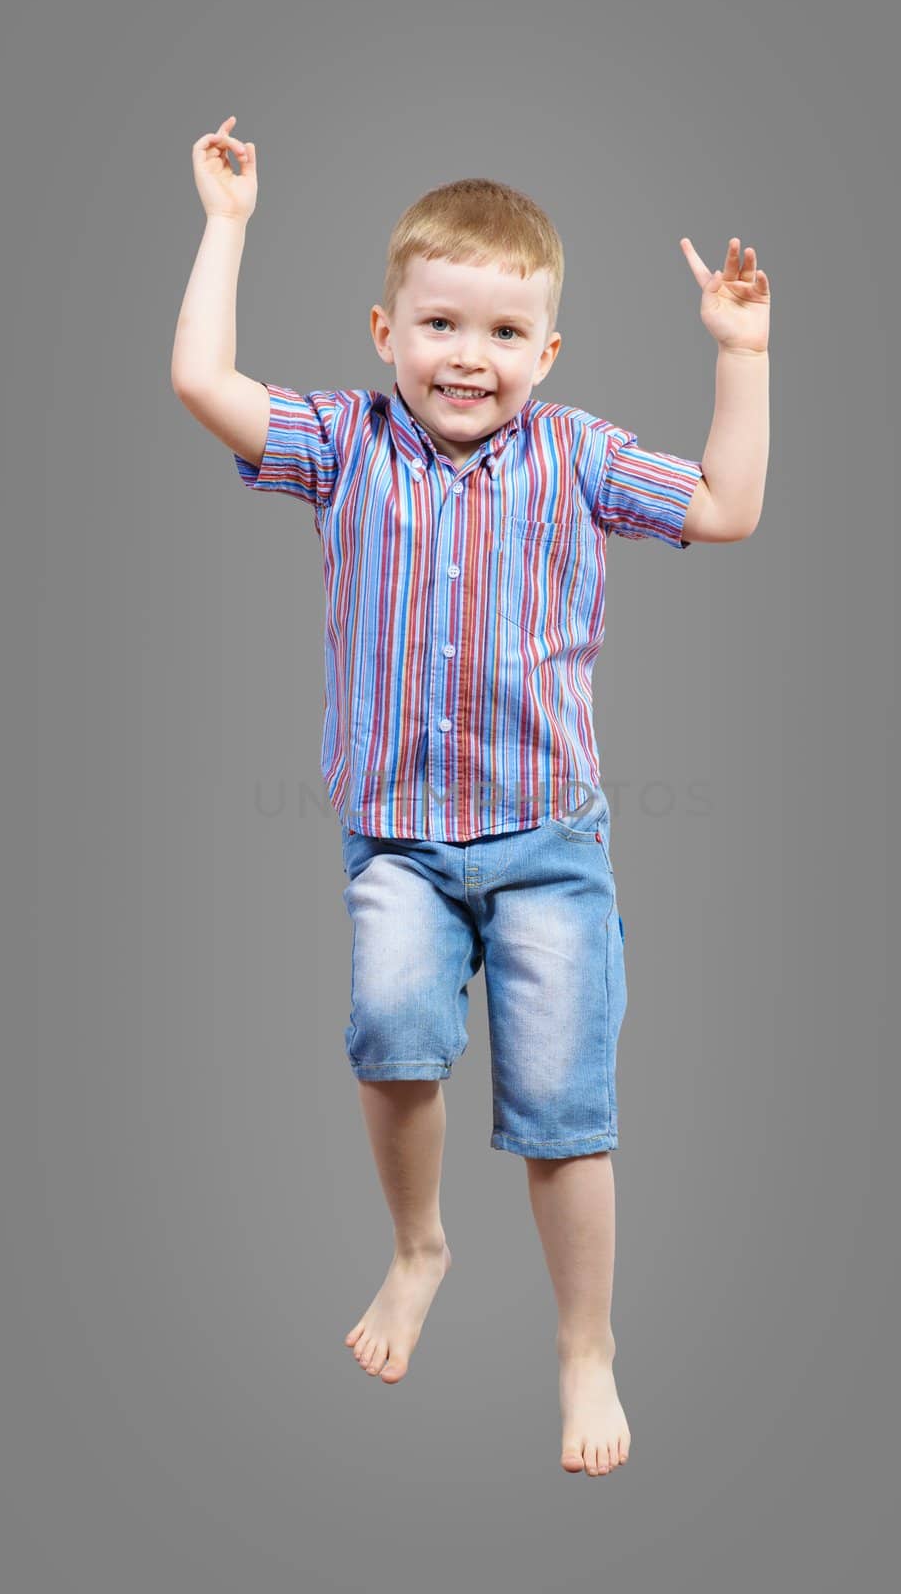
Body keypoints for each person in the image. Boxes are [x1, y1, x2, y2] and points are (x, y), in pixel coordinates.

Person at [172, 116, 771, 1478]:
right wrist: (226, 224)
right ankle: (417, 1248)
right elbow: (202, 380)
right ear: (384, 330)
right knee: (389, 1032)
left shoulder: (579, 456)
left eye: (503, 334)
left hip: (549, 845)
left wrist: (739, 358)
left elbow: (730, 507)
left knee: (563, 1112)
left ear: (545, 356)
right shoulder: (343, 443)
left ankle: (582, 1345)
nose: (467, 356)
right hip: (396, 841)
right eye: (439, 323)